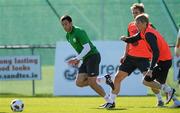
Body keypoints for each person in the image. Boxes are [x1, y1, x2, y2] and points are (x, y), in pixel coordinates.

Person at [101, 3, 164, 109]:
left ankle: (160, 98)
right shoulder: (130, 25)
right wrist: (125, 55)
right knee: (117, 77)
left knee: (148, 80)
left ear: (142, 14)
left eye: (136, 13)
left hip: (143, 58)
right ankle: (111, 102)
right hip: (130, 57)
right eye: (133, 13)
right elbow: (129, 41)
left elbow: (156, 41)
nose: (134, 15)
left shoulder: (149, 26)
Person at [121, 13, 180, 108]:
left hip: (163, 62)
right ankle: (177, 102)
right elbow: (134, 39)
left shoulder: (148, 34)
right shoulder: (144, 32)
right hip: (164, 61)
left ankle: (169, 91)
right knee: (161, 83)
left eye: (138, 24)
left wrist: (151, 69)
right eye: (136, 24)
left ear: (144, 23)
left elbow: (156, 52)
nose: (136, 26)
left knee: (145, 81)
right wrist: (125, 39)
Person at [60, 15, 114, 107]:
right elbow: (79, 49)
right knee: (79, 82)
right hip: (86, 59)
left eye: (66, 24)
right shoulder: (67, 36)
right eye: (63, 25)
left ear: (71, 23)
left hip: (93, 56)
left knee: (92, 83)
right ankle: (104, 79)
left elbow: (87, 48)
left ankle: (110, 101)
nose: (65, 26)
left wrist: (76, 58)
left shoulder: (79, 31)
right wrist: (79, 58)